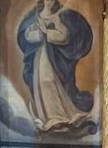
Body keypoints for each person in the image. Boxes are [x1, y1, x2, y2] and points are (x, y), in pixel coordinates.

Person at [18, 0, 97, 135]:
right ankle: (47, 118)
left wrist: (47, 33)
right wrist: (37, 35)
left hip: (54, 61)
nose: (50, 1)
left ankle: (59, 116)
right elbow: (26, 36)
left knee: (51, 82)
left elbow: (64, 36)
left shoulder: (59, 16)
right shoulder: (35, 18)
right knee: (41, 83)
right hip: (40, 58)